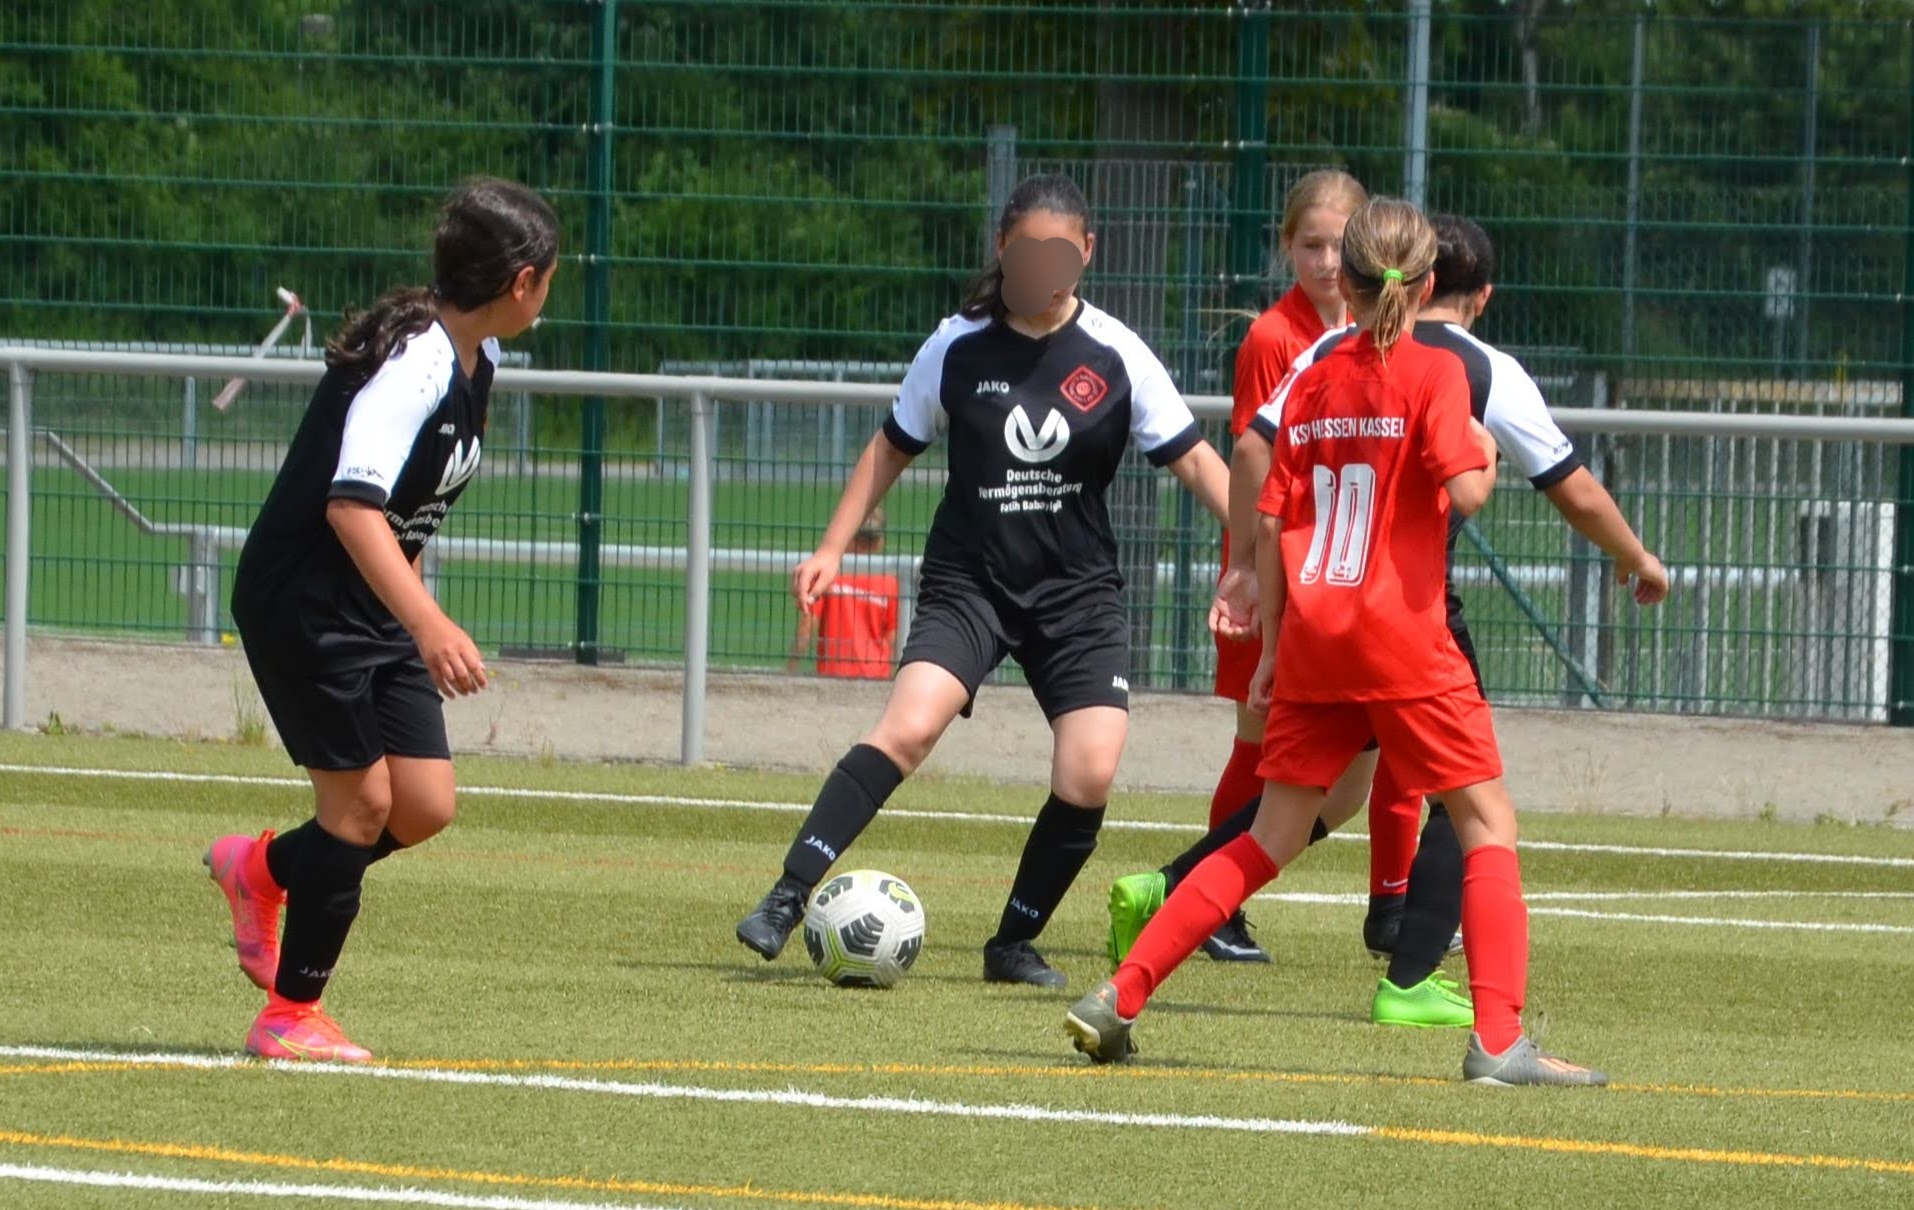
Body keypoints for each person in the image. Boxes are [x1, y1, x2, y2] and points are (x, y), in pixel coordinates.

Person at [1066, 197, 1609, 1086]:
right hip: (1404, 640)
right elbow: (1466, 491)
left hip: (1316, 640)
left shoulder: (1314, 377)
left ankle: (1119, 995)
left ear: (1345, 285)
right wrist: (1483, 452)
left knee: (1268, 837)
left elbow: (1274, 523)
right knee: (1486, 821)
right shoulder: (1436, 371)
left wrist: (1275, 651)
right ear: (1427, 286)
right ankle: (1500, 1041)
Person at [734, 173, 1232, 989]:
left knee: (1090, 771)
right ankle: (787, 897)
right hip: (972, 582)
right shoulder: (956, 345)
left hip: (1076, 595)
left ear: (1087, 252)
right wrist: (831, 547)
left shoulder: (1116, 353)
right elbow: (891, 445)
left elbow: (1200, 463)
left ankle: (1013, 943)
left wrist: (1263, 553)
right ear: (1003, 249)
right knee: (909, 727)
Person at [202, 177, 559, 1063]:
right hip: (304, 602)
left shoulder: (479, 360)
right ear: (521, 282)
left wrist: (412, 620)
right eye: (549, 278)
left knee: (424, 805)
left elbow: (409, 512)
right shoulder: (417, 363)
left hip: (373, 600)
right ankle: (288, 1016)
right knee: (361, 805)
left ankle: (259, 870)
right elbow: (352, 509)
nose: (549, 294)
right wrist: (429, 626)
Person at [1183, 169, 1378, 964]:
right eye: (1311, 245)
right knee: (1259, 742)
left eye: (1340, 246)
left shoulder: (1377, 330)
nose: (1327, 262)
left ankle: (1196, 891)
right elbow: (1252, 458)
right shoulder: (1274, 337)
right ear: (1286, 246)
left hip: (1345, 575)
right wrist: (1245, 573)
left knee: (1361, 763)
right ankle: (1208, 905)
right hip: (1281, 567)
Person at [786, 507, 899, 680]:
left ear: (848, 536)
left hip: (833, 674)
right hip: (876, 676)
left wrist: (789, 670)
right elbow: (893, 640)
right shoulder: (889, 583)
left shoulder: (829, 575)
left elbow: (806, 629)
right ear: (879, 542)